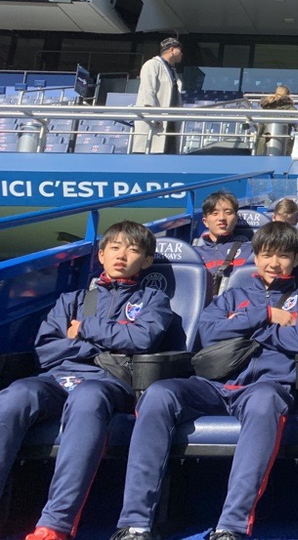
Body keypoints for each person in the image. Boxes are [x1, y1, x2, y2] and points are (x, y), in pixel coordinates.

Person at [111, 222, 298, 540]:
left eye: (283, 256)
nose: (274, 263)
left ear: (295, 260)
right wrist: (266, 316)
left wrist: (238, 325)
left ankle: (231, 526)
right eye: (267, 255)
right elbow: (209, 333)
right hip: (213, 384)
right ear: (256, 257)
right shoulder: (233, 296)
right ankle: (135, 523)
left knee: (265, 402)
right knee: (158, 394)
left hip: (265, 386)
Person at [1, 222, 171, 540]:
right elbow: (47, 349)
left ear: (147, 260)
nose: (122, 255)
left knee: (87, 398)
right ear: (101, 255)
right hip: (57, 378)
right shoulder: (72, 299)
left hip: (109, 383)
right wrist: (106, 343)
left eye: (133, 250)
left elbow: (142, 339)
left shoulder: (153, 300)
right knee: (16, 394)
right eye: (115, 248)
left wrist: (85, 329)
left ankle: (55, 525)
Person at [192, 191, 253, 294]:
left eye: (228, 213)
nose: (221, 218)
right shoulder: (193, 254)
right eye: (214, 213)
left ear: (236, 219)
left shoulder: (249, 250)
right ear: (205, 222)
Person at [132, 36, 183, 154]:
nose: (182, 54)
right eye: (180, 50)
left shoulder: (172, 71)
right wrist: (154, 116)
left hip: (170, 122)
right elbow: (148, 92)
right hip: (155, 121)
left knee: (168, 154)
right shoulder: (152, 65)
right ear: (171, 50)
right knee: (149, 152)